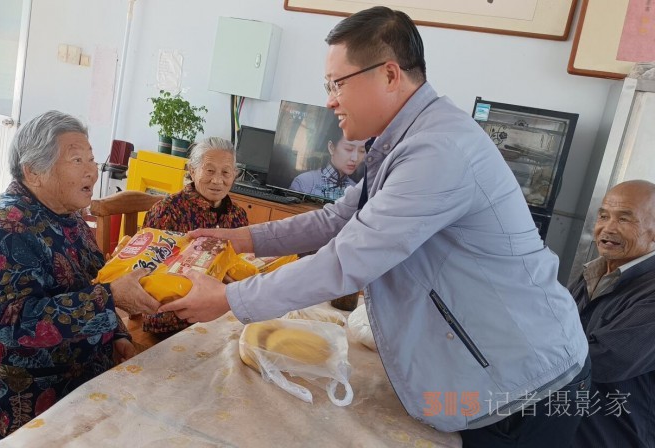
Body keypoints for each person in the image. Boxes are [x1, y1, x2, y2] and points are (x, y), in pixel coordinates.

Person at [160, 7, 589, 447]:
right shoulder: (404, 141)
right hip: (485, 370)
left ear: (388, 75)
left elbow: (350, 259)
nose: (329, 99)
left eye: (337, 83)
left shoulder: (438, 150)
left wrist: (231, 298)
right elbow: (338, 219)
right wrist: (243, 237)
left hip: (523, 387)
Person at [0, 110, 161, 440]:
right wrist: (111, 300)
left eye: (91, 159)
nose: (92, 169)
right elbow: (15, 324)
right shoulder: (4, 230)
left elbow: (95, 284)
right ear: (33, 172)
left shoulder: (67, 216)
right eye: (77, 160)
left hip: (77, 378)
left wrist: (116, 334)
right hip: (13, 398)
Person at [570, 180, 655, 448]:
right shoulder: (593, 273)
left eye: (624, 219)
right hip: (567, 426)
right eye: (603, 216)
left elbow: (605, 360)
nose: (608, 228)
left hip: (612, 436)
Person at [142, 136, 248, 333]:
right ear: (192, 170)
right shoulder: (167, 211)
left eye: (226, 172)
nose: (217, 180)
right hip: (174, 315)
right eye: (209, 170)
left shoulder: (238, 215)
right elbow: (149, 272)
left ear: (234, 175)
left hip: (222, 310)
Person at [289, 124, 367, 200]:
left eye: (362, 151)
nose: (355, 158)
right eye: (349, 149)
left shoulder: (356, 190)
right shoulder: (304, 183)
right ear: (331, 147)